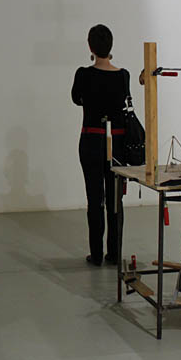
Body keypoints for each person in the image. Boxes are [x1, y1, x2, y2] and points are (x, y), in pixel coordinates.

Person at [71, 24, 130, 266]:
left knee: (95, 199)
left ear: (91, 47)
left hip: (92, 140)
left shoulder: (83, 74)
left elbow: (76, 99)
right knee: (115, 200)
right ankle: (114, 253)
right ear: (111, 46)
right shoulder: (123, 75)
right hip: (117, 142)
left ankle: (96, 255)